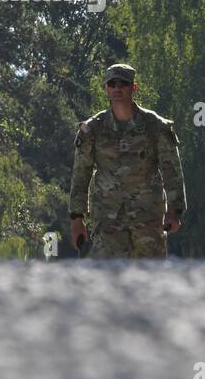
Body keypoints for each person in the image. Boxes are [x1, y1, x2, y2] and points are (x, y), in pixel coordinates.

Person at [69, 63, 187, 259]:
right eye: (112, 84)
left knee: (148, 279)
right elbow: (81, 174)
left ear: (134, 87)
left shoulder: (155, 126)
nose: (117, 88)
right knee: (107, 280)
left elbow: (171, 170)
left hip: (147, 219)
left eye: (123, 84)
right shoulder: (93, 130)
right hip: (107, 221)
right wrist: (76, 218)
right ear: (106, 88)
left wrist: (175, 212)